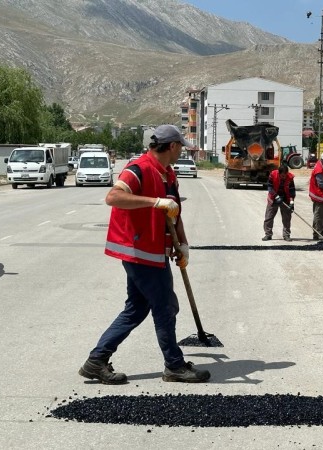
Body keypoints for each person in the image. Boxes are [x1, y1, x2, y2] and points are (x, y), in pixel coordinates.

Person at [78, 124, 210, 385]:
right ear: (171, 146)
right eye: (181, 145)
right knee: (165, 307)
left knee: (137, 308)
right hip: (139, 250)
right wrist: (154, 202)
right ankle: (174, 366)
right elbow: (113, 197)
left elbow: (174, 213)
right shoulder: (138, 169)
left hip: (154, 251)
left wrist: (182, 245)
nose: (182, 149)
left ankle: (96, 361)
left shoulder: (168, 174)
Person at [262, 164, 296, 241]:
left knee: (287, 218)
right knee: (269, 217)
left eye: (285, 175)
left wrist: (291, 202)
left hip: (285, 199)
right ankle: (268, 234)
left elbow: (292, 191)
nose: (284, 177)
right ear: (279, 173)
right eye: (282, 175)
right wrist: (276, 196)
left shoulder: (290, 178)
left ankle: (286, 235)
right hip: (274, 198)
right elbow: (270, 187)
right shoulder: (273, 175)